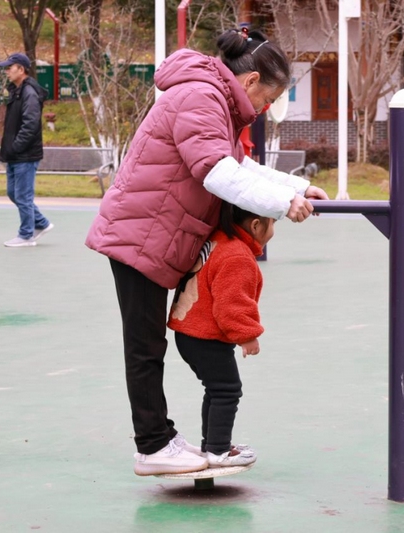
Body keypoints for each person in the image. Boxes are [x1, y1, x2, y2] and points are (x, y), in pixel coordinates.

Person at [85, 28, 328, 476]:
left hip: (154, 230)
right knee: (144, 346)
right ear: (251, 81)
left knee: (149, 343)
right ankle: (153, 445)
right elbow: (217, 172)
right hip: (140, 231)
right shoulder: (200, 96)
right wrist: (282, 204)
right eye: (268, 99)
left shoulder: (212, 99)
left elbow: (238, 164)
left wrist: (296, 186)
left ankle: (170, 440)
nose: (265, 109)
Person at [167, 203, 273, 469]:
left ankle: (212, 444)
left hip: (190, 332)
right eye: (273, 223)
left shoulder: (218, 239)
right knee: (227, 390)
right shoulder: (237, 256)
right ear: (256, 225)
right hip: (205, 336)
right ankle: (218, 451)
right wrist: (247, 335)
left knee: (216, 389)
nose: (273, 231)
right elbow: (231, 304)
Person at [0, 52, 54, 247]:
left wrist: (16, 147)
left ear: (21, 69)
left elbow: (30, 125)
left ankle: (26, 235)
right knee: (14, 193)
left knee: (22, 195)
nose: (6, 72)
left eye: (9, 68)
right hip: (16, 154)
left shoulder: (29, 92)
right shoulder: (17, 90)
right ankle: (41, 223)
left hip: (25, 155)